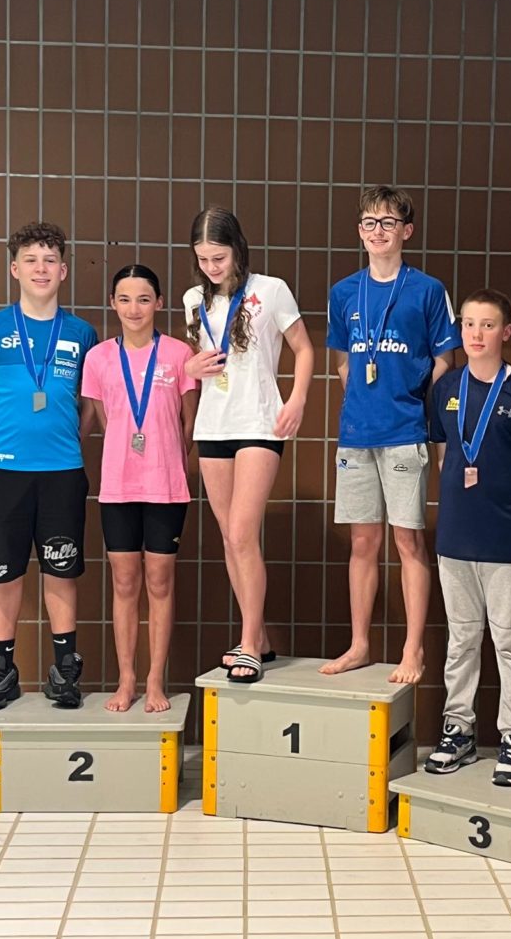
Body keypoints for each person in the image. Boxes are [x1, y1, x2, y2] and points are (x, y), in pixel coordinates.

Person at [322, 185, 460, 684]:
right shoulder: (344, 292)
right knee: (363, 541)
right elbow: (342, 361)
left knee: (408, 540)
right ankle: (360, 644)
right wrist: (365, 397)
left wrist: (412, 398)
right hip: (357, 433)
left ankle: (412, 649)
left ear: (407, 231)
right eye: (369, 222)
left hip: (405, 430)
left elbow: (445, 359)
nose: (377, 231)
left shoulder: (427, 290)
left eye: (387, 222)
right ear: (359, 231)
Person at [0, 222, 97, 710]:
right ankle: (2, 669)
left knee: (61, 569)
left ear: (63, 271)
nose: (41, 269)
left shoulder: (82, 333)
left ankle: (64, 669)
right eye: (31, 260)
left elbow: (90, 405)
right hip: (4, 475)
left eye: (50, 260)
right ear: (14, 269)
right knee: (4, 572)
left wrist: (68, 444)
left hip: (62, 473)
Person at [183, 206, 313, 683]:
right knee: (229, 538)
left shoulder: (270, 289)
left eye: (218, 257)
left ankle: (249, 643)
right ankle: (259, 638)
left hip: (259, 422)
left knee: (242, 533)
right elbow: (197, 362)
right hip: (213, 425)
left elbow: (304, 348)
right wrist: (190, 368)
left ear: (237, 249)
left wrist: (297, 399)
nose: (211, 267)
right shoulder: (193, 299)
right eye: (203, 259)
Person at [424, 289, 511, 785]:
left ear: (505, 332)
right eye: (469, 324)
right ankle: (459, 729)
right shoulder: (446, 387)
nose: (476, 334)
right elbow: (444, 454)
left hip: (507, 536)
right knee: (462, 640)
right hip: (456, 535)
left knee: (510, 642)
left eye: (487, 325)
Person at [81, 265, 198, 712]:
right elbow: (105, 420)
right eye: (125, 299)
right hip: (118, 486)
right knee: (125, 582)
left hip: (166, 486)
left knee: (160, 582)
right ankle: (126, 679)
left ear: (159, 303)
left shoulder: (179, 354)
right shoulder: (98, 359)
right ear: (113, 303)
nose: (134, 309)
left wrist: (163, 458)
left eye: (144, 299)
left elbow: (188, 423)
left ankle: (154, 681)